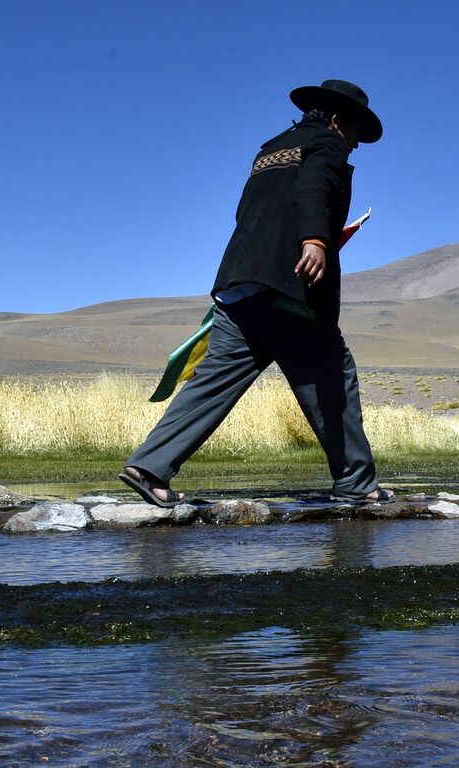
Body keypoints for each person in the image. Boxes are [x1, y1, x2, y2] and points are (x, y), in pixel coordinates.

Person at [120, 79, 392, 506]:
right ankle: (357, 485)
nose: (356, 146)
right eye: (356, 134)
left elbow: (254, 212)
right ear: (339, 122)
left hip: (238, 285)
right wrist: (315, 241)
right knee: (333, 376)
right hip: (289, 288)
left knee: (214, 381)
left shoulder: (270, 150)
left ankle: (150, 466)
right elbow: (313, 189)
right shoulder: (328, 145)